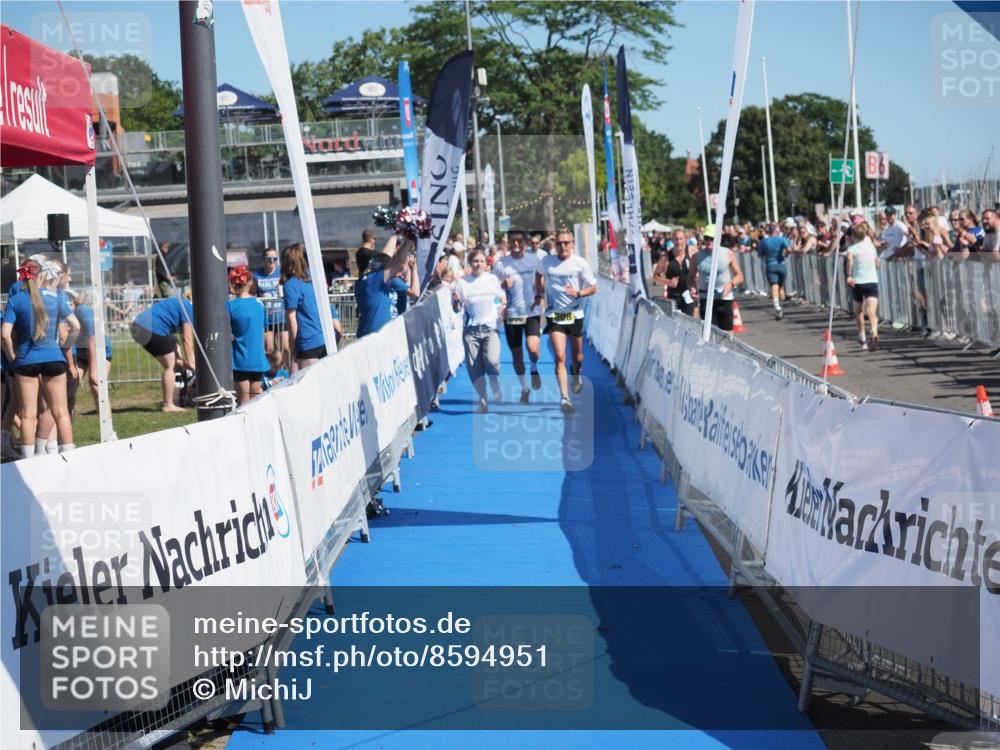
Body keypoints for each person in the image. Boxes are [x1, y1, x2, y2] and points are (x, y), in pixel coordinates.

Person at [1, 260, 80, 457]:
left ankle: (29, 461)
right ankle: (68, 455)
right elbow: (75, 326)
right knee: (60, 411)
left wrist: (12, 356)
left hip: (26, 360)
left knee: (28, 414)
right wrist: (64, 347)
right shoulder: (57, 297)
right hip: (54, 357)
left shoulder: (15, 300)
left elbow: (4, 335)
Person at [536, 230, 597, 415]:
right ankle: (564, 397)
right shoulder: (547, 262)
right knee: (560, 356)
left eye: (566, 243)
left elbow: (593, 287)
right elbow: (538, 274)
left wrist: (578, 293)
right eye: (559, 243)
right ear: (555, 245)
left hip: (574, 314)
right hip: (555, 315)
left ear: (572, 244)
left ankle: (576, 373)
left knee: (577, 357)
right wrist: (539, 294)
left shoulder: (580, 263)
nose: (562, 246)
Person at [493, 229, 544, 404]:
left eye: (519, 241)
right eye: (513, 241)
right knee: (517, 356)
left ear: (525, 243)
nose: (516, 244)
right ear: (508, 242)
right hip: (512, 314)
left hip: (531, 312)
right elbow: (493, 289)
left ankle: (535, 368)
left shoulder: (534, 260)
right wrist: (501, 285)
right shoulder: (501, 264)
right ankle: (525, 389)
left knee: (534, 350)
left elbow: (541, 280)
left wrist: (540, 296)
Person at [453, 248, 505, 413]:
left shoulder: (492, 279)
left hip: (490, 328)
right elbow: (456, 308)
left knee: (492, 360)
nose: (478, 264)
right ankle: (483, 401)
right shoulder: (462, 283)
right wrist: (455, 301)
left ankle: (495, 381)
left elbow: (501, 298)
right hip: (471, 331)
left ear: (486, 263)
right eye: (475, 261)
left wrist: (502, 307)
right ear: (470, 263)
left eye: (482, 261)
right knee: (475, 368)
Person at [131, 294, 196, 413]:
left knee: (173, 358)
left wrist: (190, 364)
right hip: (151, 328)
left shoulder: (181, 301)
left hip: (137, 327)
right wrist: (192, 362)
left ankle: (172, 399)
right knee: (169, 366)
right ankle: (168, 405)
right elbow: (187, 338)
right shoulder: (189, 308)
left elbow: (178, 347)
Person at [355, 235, 419, 338]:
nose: (379, 264)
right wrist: (403, 237)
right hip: (375, 338)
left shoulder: (365, 281)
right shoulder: (372, 280)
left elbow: (393, 262)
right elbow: (395, 262)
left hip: (377, 335)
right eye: (376, 261)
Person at [689, 224, 744, 332]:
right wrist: (692, 288)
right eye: (706, 238)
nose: (709, 241)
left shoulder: (727, 253)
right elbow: (690, 278)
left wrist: (730, 284)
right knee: (709, 333)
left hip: (724, 299)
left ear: (718, 239)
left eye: (712, 238)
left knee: (727, 334)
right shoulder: (696, 257)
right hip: (706, 299)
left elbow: (740, 276)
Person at [227, 265, 269, 405]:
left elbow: (225, 331)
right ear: (250, 282)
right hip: (257, 359)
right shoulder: (259, 305)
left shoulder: (230, 306)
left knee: (243, 402)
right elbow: (265, 330)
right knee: (255, 400)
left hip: (240, 360)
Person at [282, 243, 327, 372]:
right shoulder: (314, 281)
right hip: (323, 339)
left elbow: (292, 320)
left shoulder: (291, 285)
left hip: (307, 342)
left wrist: (293, 348)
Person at [70, 288, 113, 418]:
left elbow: (92, 340)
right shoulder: (67, 314)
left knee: (97, 385)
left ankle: (109, 430)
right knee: (70, 387)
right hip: (81, 351)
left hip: (100, 349)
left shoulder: (82, 311)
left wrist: (93, 370)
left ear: (73, 301)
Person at [845, 222, 881, 352]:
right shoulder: (871, 247)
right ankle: (875, 332)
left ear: (854, 236)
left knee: (859, 312)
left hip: (858, 283)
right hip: (872, 281)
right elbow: (877, 264)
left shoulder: (852, 249)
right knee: (872, 311)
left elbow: (849, 261)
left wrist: (849, 275)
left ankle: (863, 340)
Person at [653, 228, 696, 316]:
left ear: (685, 240)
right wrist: (668, 282)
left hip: (690, 296)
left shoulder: (692, 252)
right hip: (673, 296)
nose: (678, 242)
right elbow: (655, 276)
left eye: (681, 239)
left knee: (691, 324)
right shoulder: (666, 257)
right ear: (672, 240)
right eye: (676, 239)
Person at [254, 247, 285, 357]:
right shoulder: (257, 275)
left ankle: (287, 372)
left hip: (281, 316)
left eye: (275, 258)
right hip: (266, 318)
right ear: (263, 260)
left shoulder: (282, 273)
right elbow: (253, 294)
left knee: (285, 348)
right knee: (269, 349)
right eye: (269, 258)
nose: (272, 261)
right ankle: (271, 373)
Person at [756, 223, 791, 319]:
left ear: (768, 232)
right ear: (776, 231)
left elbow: (760, 254)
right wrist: (786, 255)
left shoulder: (764, 241)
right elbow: (789, 249)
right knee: (780, 285)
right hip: (781, 264)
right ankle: (781, 304)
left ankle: (777, 307)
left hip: (770, 265)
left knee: (774, 286)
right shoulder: (781, 239)